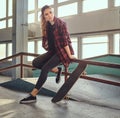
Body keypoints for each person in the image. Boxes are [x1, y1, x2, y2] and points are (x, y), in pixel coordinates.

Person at [20, 5, 75, 104]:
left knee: (45, 68)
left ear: (53, 12)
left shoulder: (61, 24)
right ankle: (56, 69)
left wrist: (70, 55)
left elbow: (65, 41)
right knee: (35, 62)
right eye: (46, 14)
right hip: (53, 51)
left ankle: (33, 95)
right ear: (44, 16)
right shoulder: (47, 26)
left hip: (62, 52)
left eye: (50, 12)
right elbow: (49, 42)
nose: (49, 15)